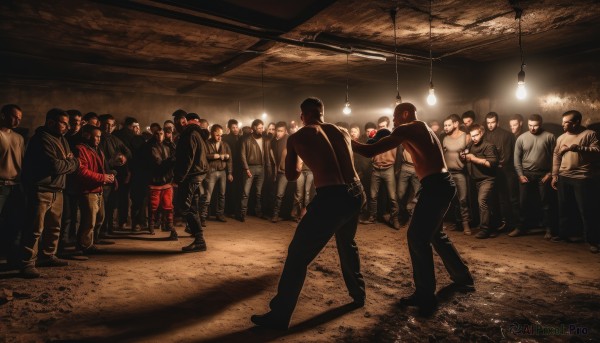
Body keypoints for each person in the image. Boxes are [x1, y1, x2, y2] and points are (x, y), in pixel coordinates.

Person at [251, 97, 366, 330]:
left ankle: (280, 315)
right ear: (322, 112)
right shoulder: (342, 131)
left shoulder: (297, 137)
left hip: (331, 198)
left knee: (297, 255)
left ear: (304, 115)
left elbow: (292, 175)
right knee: (347, 243)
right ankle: (359, 294)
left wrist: (302, 160)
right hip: (356, 193)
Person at [353, 102, 474, 316]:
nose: (393, 121)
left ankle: (425, 293)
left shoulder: (407, 128)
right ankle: (463, 278)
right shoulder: (423, 127)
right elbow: (384, 138)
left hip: (436, 185)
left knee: (417, 237)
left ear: (405, 113)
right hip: (441, 183)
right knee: (436, 234)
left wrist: (346, 140)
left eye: (395, 116)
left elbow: (370, 151)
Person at [20, 108, 80, 278]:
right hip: (41, 190)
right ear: (51, 122)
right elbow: (54, 166)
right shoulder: (41, 139)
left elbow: (75, 163)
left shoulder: (62, 140)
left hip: (57, 189)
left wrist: (70, 162)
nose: (67, 127)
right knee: (34, 229)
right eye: (64, 123)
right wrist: (69, 163)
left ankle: (47, 256)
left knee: (54, 227)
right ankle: (27, 263)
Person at [551, 110, 600, 253]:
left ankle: (592, 241)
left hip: (582, 178)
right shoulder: (561, 138)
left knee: (586, 210)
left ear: (576, 122)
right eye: (563, 122)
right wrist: (555, 175)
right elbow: (556, 156)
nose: (563, 125)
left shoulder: (589, 134)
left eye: (566, 122)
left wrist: (578, 148)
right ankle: (564, 235)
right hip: (564, 176)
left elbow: (597, 151)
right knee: (564, 208)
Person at [512, 114, 556, 238]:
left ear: (541, 124)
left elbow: (556, 157)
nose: (532, 128)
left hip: (543, 174)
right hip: (526, 174)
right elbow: (516, 159)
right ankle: (520, 228)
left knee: (546, 203)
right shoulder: (521, 138)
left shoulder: (550, 137)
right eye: (530, 125)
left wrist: (550, 173)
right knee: (523, 202)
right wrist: (520, 174)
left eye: (535, 125)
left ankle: (549, 229)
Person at [74, 125, 114, 254]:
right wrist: (102, 177)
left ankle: (91, 242)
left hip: (98, 189)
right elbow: (82, 172)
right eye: (96, 136)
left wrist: (110, 176)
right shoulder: (80, 149)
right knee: (88, 221)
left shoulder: (97, 150)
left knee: (99, 218)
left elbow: (101, 167)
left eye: (99, 137)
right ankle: (83, 247)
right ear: (87, 135)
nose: (98, 139)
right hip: (88, 190)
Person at [173, 113, 209, 252]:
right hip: (197, 174)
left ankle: (199, 240)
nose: (180, 123)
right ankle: (197, 235)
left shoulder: (190, 134)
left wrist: (178, 178)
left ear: (187, 122)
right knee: (192, 205)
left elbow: (187, 159)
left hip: (191, 175)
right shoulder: (197, 133)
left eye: (182, 121)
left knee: (185, 206)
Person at [362, 116, 400, 229]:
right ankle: (372, 217)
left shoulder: (394, 137)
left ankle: (395, 218)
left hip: (388, 168)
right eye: (380, 127)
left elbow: (399, 154)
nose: (381, 128)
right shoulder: (375, 137)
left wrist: (397, 169)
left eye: (383, 126)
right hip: (376, 169)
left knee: (392, 197)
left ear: (388, 126)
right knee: (373, 195)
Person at [484, 112, 519, 233]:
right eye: (488, 123)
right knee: (495, 198)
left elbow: (513, 154)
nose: (490, 125)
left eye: (492, 122)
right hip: (493, 171)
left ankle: (514, 224)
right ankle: (501, 223)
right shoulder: (485, 135)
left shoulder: (508, 135)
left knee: (510, 198)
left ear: (497, 122)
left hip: (507, 171)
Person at [0, 104, 26, 266]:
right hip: (0, 185)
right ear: (3, 115)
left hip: (16, 186)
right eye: (14, 116)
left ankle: (12, 258)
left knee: (16, 222)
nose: (17, 121)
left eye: (19, 118)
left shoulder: (19, 138)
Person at [463, 124, 499, 239]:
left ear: (482, 133)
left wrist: (473, 158)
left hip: (487, 179)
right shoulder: (471, 144)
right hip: (475, 179)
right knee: (485, 204)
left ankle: (485, 229)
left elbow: (491, 164)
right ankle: (491, 227)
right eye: (472, 136)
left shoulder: (489, 146)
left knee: (482, 201)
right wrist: (463, 156)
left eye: (476, 135)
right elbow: (465, 153)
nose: (474, 138)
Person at [143, 127, 177, 239]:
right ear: (154, 135)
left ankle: (169, 225)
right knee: (153, 206)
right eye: (157, 134)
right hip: (155, 181)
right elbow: (159, 164)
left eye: (161, 134)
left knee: (168, 205)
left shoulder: (168, 146)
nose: (160, 136)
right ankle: (151, 225)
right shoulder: (151, 147)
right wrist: (172, 160)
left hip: (166, 181)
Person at [442, 114, 472, 235]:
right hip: (447, 173)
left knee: (463, 199)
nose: (446, 127)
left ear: (456, 124)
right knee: (447, 200)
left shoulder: (466, 137)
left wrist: (464, 156)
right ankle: (453, 222)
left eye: (449, 125)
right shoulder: (444, 138)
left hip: (460, 173)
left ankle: (466, 225)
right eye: (445, 125)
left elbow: (468, 153)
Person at [238, 119, 271, 221]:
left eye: (262, 127)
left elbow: (268, 156)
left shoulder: (266, 140)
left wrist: (268, 169)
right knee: (245, 192)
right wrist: (246, 168)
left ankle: (258, 212)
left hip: (261, 168)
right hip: (250, 168)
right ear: (254, 128)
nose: (262, 130)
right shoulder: (246, 140)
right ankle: (242, 214)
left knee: (259, 192)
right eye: (259, 128)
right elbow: (242, 155)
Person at [204, 124, 233, 223]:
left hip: (222, 172)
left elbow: (230, 160)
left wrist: (229, 172)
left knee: (222, 194)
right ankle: (203, 216)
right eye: (217, 135)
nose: (219, 137)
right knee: (207, 195)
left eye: (221, 135)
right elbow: (204, 156)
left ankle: (220, 214)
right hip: (211, 172)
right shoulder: (206, 144)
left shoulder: (225, 145)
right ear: (212, 133)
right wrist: (216, 156)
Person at [270, 121, 289, 223]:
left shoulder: (289, 140)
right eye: (277, 131)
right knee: (277, 193)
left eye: (281, 131)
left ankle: (277, 215)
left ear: (285, 131)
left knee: (280, 194)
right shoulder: (273, 141)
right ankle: (276, 214)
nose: (278, 133)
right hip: (277, 171)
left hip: (285, 171)